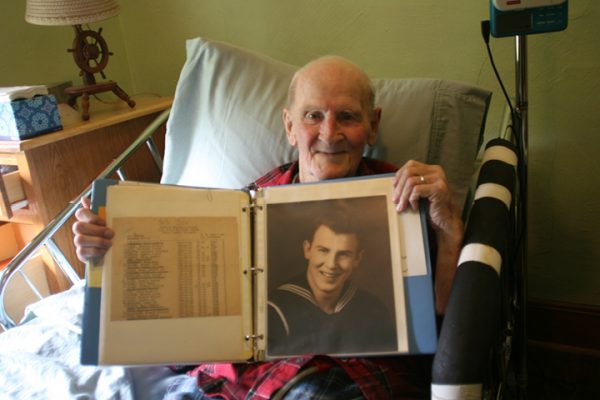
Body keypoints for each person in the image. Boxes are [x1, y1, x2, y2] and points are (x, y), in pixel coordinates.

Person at [73, 55, 464, 399]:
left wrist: (449, 231)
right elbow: (176, 319)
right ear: (290, 126)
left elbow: (443, 321)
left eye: (347, 116)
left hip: (353, 380)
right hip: (250, 381)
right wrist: (109, 248)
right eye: (313, 116)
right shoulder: (249, 202)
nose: (330, 133)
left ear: (372, 125)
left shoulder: (405, 197)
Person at [267, 203, 397, 356]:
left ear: (357, 258)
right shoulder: (274, 310)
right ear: (307, 250)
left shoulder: (374, 310)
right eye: (323, 251)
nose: (331, 265)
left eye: (343, 254)